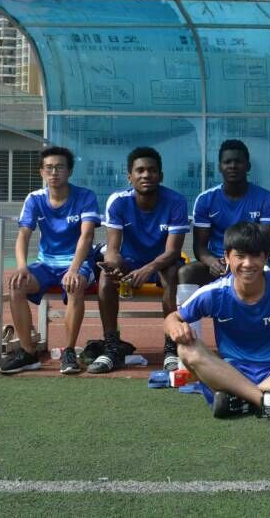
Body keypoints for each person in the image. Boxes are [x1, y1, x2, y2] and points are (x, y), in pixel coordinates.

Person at [165, 222, 270, 420]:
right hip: (230, 373)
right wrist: (176, 327)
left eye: (255, 256)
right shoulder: (215, 292)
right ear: (227, 257)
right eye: (240, 256)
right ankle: (266, 400)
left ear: (265, 257)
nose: (247, 264)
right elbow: (172, 318)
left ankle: (241, 400)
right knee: (185, 349)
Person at [89, 146, 190, 374]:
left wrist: (148, 269)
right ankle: (111, 346)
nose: (146, 175)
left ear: (160, 176)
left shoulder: (176, 201)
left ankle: (171, 347)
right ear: (130, 176)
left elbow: (173, 251)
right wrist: (113, 265)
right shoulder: (118, 201)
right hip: (130, 262)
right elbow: (112, 249)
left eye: (152, 170)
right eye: (140, 170)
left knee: (173, 274)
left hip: (162, 263)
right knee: (106, 276)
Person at [0, 146, 100, 374]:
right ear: (41, 172)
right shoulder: (34, 199)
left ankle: (69, 352)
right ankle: (28, 353)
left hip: (77, 263)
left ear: (69, 171)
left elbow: (86, 236)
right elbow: (23, 235)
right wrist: (22, 267)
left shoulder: (85, 196)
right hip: (46, 264)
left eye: (60, 167)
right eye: (49, 168)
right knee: (16, 285)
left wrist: (74, 269)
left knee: (74, 285)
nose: (54, 172)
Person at [177, 139, 270, 312]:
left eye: (238, 161)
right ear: (220, 167)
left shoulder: (265, 198)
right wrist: (211, 262)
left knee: (269, 275)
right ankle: (187, 327)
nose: (232, 166)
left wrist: (242, 261)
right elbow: (199, 247)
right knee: (186, 272)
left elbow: (267, 243)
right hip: (219, 262)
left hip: (251, 262)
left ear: (248, 166)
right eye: (227, 162)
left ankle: (265, 324)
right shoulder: (205, 199)